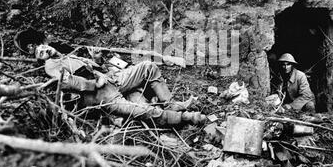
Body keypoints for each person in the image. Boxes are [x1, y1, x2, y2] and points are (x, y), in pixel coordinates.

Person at [34, 44, 206, 126]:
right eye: (41, 53)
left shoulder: (64, 56)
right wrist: (94, 84)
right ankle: (184, 118)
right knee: (141, 110)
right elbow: (70, 81)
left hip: (112, 80)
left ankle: (172, 104)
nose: (45, 51)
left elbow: (96, 69)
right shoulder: (51, 66)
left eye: (43, 47)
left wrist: (96, 59)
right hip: (100, 96)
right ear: (41, 60)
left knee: (148, 67)